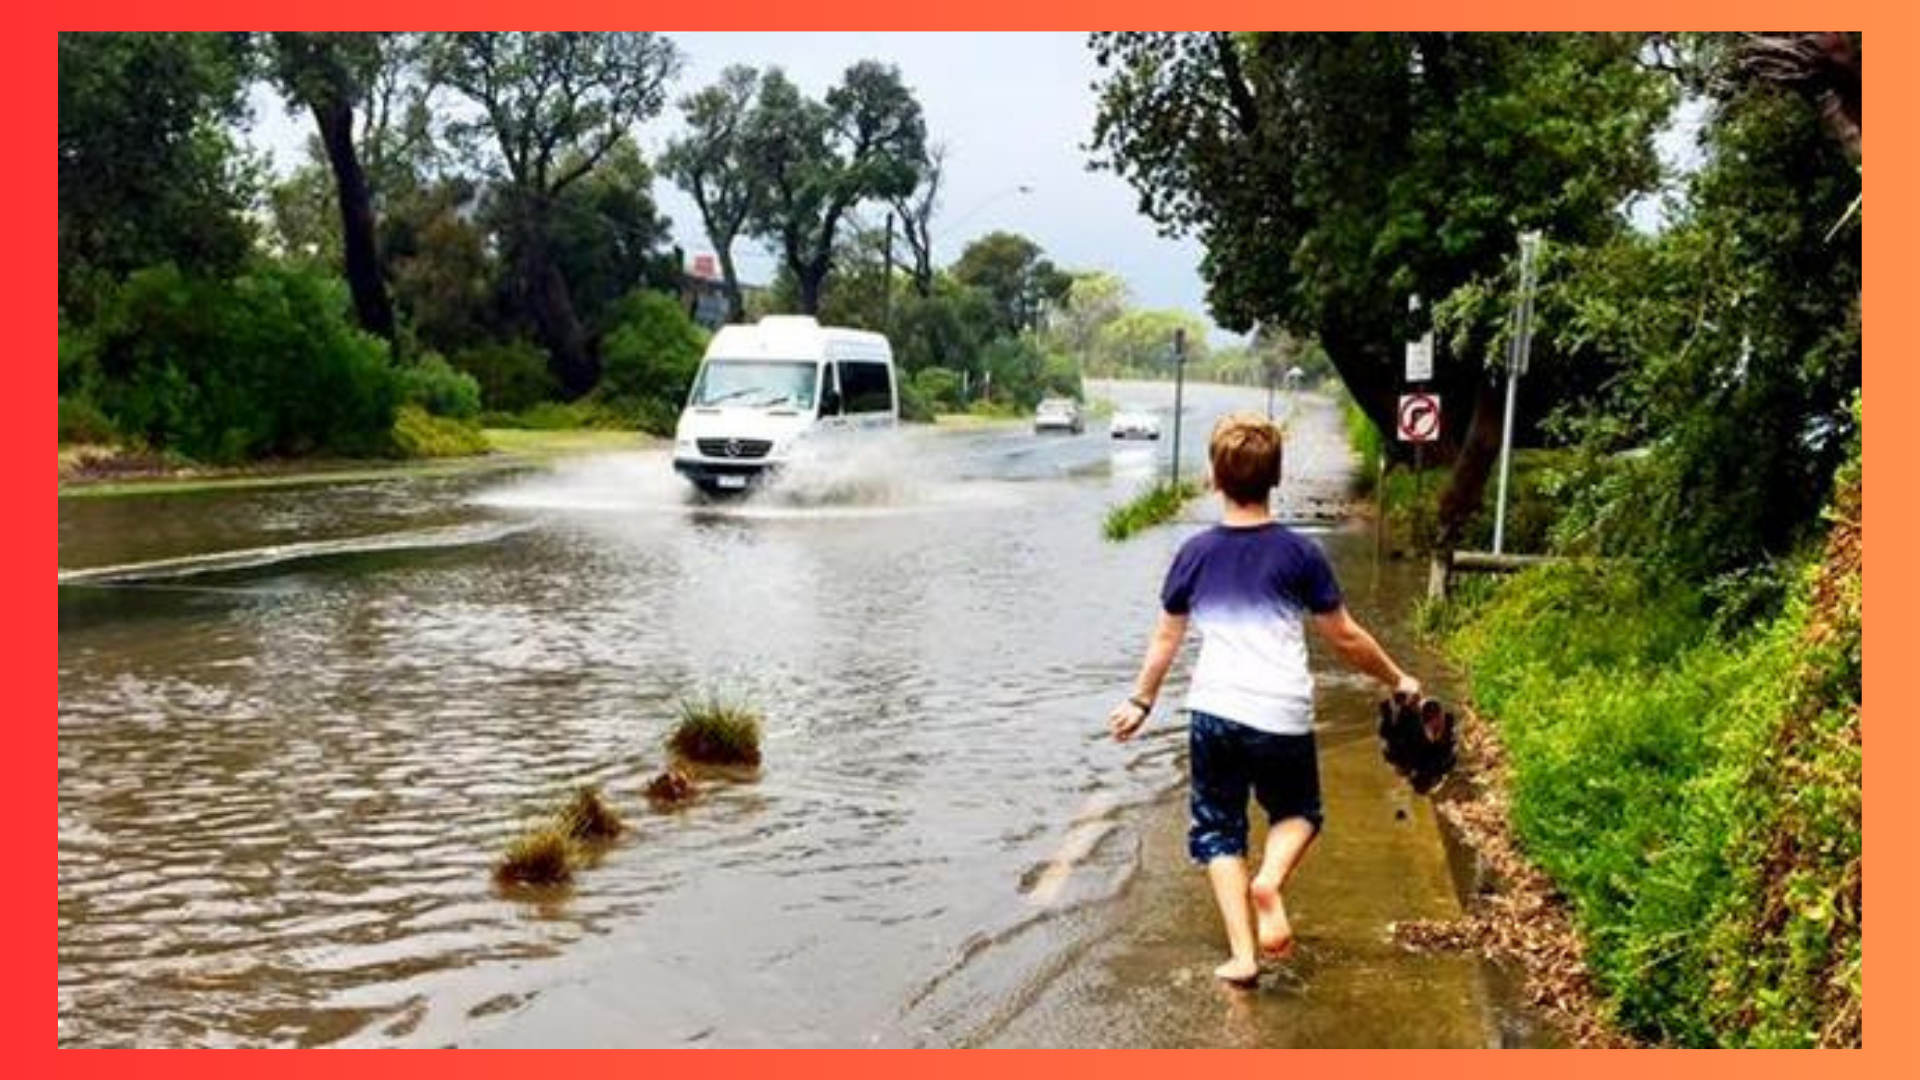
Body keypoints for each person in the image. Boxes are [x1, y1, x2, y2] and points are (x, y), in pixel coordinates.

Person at [1108, 411, 1421, 987]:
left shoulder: (1195, 553)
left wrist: (1141, 700)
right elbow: (1345, 636)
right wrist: (1398, 678)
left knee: (1218, 830)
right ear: (1275, 477)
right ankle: (1270, 881)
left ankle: (1243, 957)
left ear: (1214, 478)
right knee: (1298, 812)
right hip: (1280, 712)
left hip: (1215, 711)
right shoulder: (1299, 555)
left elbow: (1165, 638)